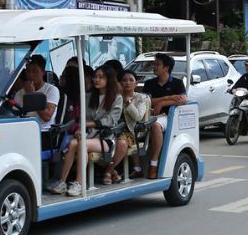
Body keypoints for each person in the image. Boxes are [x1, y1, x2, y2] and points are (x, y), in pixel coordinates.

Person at [49, 64, 124, 195]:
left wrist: (87, 125)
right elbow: (82, 118)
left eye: (101, 77)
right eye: (95, 77)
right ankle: (62, 181)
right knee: (72, 143)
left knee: (82, 144)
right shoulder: (88, 96)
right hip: (88, 135)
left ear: (109, 80)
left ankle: (79, 183)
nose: (97, 80)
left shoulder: (117, 98)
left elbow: (111, 120)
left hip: (105, 138)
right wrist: (81, 129)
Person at [143, 53, 186, 178]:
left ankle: (154, 164)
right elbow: (147, 101)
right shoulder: (149, 83)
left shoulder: (177, 83)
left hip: (168, 117)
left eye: (157, 64)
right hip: (150, 115)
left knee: (156, 125)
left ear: (166, 68)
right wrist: (168, 97)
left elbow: (183, 100)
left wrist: (161, 103)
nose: (154, 67)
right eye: (154, 64)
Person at [108, 69, 151, 181]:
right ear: (120, 83)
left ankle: (108, 171)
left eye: (131, 80)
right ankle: (113, 171)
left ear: (136, 83)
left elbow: (138, 117)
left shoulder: (141, 98)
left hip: (132, 131)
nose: (127, 82)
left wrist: (128, 102)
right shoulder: (116, 97)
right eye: (124, 80)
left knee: (121, 142)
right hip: (114, 130)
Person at [15, 54, 59, 132]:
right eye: (28, 71)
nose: (31, 75)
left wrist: (33, 95)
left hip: (42, 131)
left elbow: (47, 116)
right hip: (23, 130)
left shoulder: (51, 90)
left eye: (35, 71)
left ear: (43, 72)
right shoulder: (20, 92)